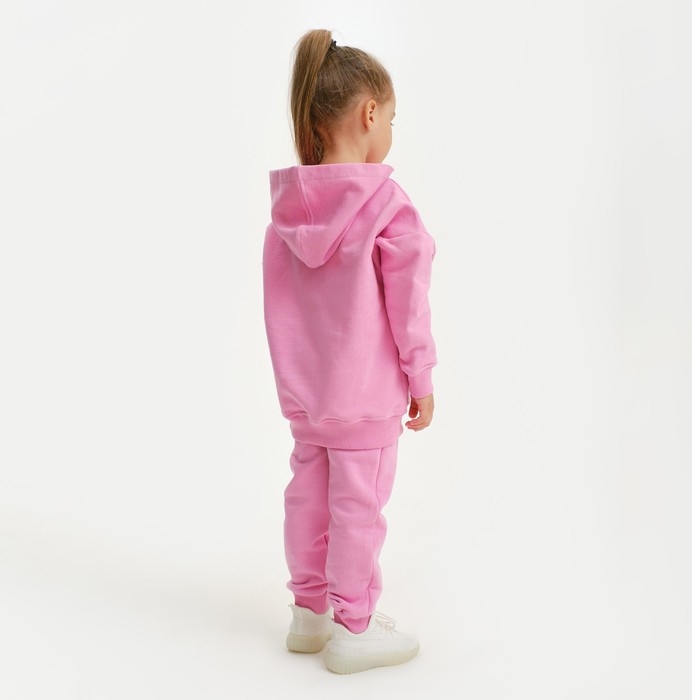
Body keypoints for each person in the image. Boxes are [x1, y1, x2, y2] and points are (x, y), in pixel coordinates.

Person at [262, 28, 437, 674]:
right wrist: (421, 377)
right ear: (368, 114)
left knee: (308, 498)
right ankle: (354, 627)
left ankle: (308, 615)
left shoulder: (288, 213)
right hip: (364, 399)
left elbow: (280, 307)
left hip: (307, 399)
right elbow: (408, 305)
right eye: (391, 116)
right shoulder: (387, 206)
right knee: (358, 508)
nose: (390, 128)